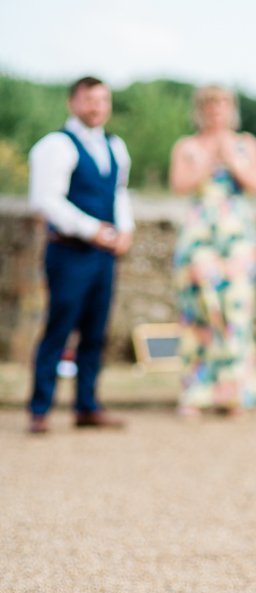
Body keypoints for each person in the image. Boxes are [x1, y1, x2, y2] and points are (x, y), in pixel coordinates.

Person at [28, 76, 134, 434]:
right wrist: (93, 230)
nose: (96, 107)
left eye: (103, 100)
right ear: (73, 102)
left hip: (104, 256)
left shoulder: (116, 146)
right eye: (89, 100)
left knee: (95, 331)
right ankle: (40, 408)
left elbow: (119, 192)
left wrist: (125, 229)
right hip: (69, 252)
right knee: (59, 328)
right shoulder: (56, 145)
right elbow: (46, 200)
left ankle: (87, 405)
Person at [169, 85, 256, 416]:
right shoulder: (187, 146)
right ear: (200, 109)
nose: (216, 110)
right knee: (199, 311)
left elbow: (254, 185)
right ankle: (196, 391)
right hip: (199, 235)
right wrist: (209, 158)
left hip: (236, 234)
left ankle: (233, 392)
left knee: (235, 311)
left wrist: (231, 158)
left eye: (222, 104)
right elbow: (179, 185)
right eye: (209, 104)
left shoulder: (246, 143)